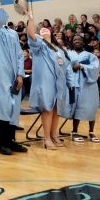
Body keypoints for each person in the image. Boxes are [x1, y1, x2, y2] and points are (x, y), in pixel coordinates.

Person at [27, 10, 74, 150]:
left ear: (51, 32)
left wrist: (70, 82)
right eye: (41, 29)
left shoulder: (59, 49)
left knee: (56, 109)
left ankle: (54, 135)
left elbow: (67, 66)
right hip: (45, 82)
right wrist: (30, 19)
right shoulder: (39, 46)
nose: (43, 29)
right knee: (48, 109)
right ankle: (46, 139)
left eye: (46, 28)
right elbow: (30, 34)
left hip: (59, 82)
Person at [68, 35, 100, 143]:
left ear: (83, 42)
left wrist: (82, 66)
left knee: (91, 106)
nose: (77, 41)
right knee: (77, 106)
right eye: (74, 39)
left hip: (88, 84)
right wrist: (72, 68)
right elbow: (64, 67)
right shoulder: (68, 54)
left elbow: (95, 68)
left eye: (79, 40)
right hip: (73, 83)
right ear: (72, 42)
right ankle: (74, 131)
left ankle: (91, 131)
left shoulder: (90, 55)